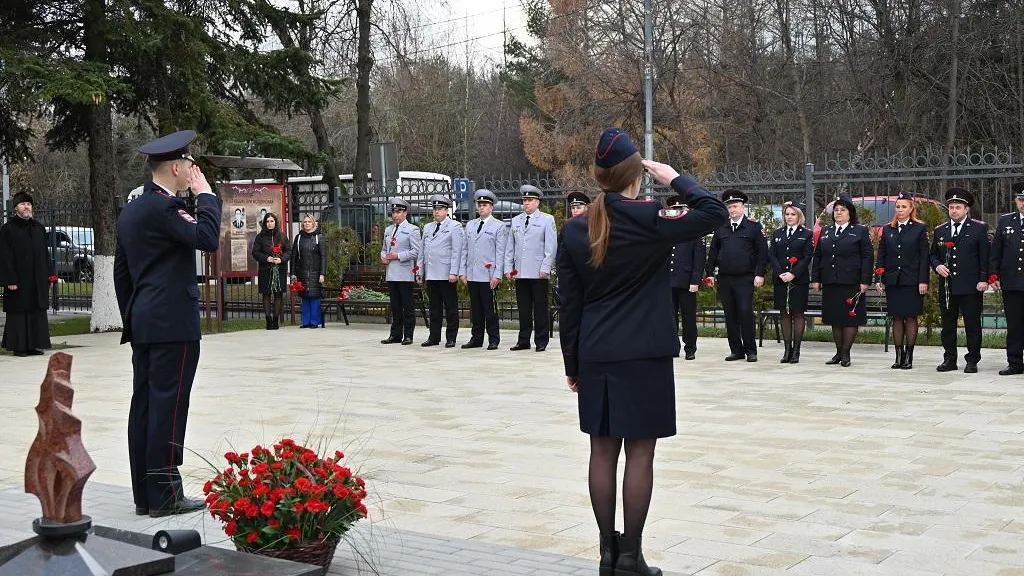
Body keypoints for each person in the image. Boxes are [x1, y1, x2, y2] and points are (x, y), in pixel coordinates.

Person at [558, 127, 727, 576]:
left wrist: (571, 364)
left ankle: (606, 556)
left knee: (601, 452)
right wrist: (676, 178)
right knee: (640, 454)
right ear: (636, 175)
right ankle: (630, 557)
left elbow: (568, 304)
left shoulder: (575, 228)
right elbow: (713, 213)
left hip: (595, 352)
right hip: (645, 354)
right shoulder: (650, 217)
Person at [114, 129, 221, 517]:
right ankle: (165, 495)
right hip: (172, 323)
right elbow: (207, 237)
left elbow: (121, 273)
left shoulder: (133, 209)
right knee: (169, 407)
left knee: (144, 406)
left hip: (145, 320)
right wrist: (206, 195)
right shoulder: (163, 207)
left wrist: (136, 313)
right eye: (190, 165)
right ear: (177, 167)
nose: (193, 170)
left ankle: (146, 495)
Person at [931, 187, 989, 373]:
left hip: (971, 286)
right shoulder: (941, 230)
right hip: (948, 286)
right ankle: (949, 359)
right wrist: (938, 266)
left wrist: (983, 280)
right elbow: (932, 255)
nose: (954, 211)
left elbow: (984, 257)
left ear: (966, 209)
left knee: (972, 324)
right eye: (951, 207)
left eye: (958, 207)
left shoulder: (978, 229)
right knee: (948, 324)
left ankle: (972, 359)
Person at [703, 189, 766, 362]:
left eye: (736, 206)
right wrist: (709, 273)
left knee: (745, 313)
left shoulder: (753, 227)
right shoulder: (721, 228)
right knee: (730, 315)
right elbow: (713, 253)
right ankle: (736, 350)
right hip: (725, 278)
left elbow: (762, 253)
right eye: (730, 207)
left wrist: (759, 274)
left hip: (745, 278)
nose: (732, 210)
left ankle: (750, 350)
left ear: (743, 207)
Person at [811, 194, 873, 367]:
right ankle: (838, 352)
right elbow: (818, 256)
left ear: (850, 212)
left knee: (850, 319)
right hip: (831, 281)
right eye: (836, 210)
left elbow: (867, 257)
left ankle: (846, 353)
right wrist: (816, 278)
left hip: (851, 281)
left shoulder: (859, 230)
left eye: (842, 210)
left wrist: (865, 280)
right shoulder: (826, 231)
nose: (838, 213)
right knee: (835, 318)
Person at [875, 192, 929, 369]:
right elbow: (881, 255)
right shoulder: (888, 229)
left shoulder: (919, 228)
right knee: (896, 318)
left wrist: (923, 280)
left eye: (904, 207)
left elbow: (923, 257)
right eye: (898, 207)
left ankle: (909, 356)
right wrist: (879, 278)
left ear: (911, 208)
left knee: (911, 318)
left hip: (912, 280)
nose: (900, 210)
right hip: (893, 280)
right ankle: (898, 355)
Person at [0, 192, 56, 356]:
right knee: (19, 312)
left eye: (29, 204)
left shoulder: (38, 228)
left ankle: (34, 345)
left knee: (36, 311)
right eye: (23, 204)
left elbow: (45, 254)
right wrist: (9, 279)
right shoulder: (8, 229)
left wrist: (50, 275)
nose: (27, 207)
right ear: (16, 208)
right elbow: (4, 256)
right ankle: (20, 347)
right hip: (18, 279)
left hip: (37, 279)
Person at [505, 184, 557, 352]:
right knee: (524, 308)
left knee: (540, 308)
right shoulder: (516, 221)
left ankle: (541, 341)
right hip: (520, 271)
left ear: (537, 202)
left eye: (529, 200)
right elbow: (510, 247)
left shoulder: (546, 220)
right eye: (524, 200)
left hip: (538, 272)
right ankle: (523, 340)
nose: (526, 203)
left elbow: (551, 247)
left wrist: (546, 267)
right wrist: (508, 268)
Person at [767, 201, 813, 363]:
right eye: (787, 214)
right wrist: (780, 273)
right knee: (784, 314)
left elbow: (807, 257)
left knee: (798, 314)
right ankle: (787, 350)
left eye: (793, 214)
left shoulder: (806, 234)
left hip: (798, 281)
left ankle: (796, 351)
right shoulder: (777, 233)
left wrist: (793, 274)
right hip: (781, 280)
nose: (789, 217)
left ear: (799, 216)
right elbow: (772, 254)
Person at [459, 189, 506, 350]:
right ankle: (476, 338)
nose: (481, 208)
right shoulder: (471, 225)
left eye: (485, 205)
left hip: (488, 275)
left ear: (491, 207)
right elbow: (464, 250)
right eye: (480, 205)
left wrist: (498, 274)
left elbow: (500, 252)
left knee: (489, 309)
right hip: (472, 274)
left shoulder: (499, 226)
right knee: (476, 309)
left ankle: (494, 339)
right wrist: (462, 272)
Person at [416, 194, 464, 347]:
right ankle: (434, 337)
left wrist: (454, 272)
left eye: (440, 209)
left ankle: (451, 337)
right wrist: (420, 271)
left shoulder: (454, 227)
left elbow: (457, 251)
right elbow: (422, 251)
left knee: (450, 307)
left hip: (446, 273)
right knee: (434, 308)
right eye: (435, 209)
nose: (436, 212)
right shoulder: (428, 227)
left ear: (446, 210)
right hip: (431, 273)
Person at [665, 196, 706, 360]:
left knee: (688, 316)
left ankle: (690, 348)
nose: (677, 213)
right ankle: (672, 346)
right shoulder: (667, 231)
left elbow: (699, 258)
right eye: (675, 210)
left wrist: (695, 280)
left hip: (687, 281)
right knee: (670, 316)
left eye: (680, 210)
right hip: (669, 280)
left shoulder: (694, 232)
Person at [990, 182, 1024, 375]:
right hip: (1011, 281)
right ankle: (1015, 362)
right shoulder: (1005, 221)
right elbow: (996, 251)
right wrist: (993, 274)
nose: (1023, 204)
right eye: (1020, 200)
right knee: (1014, 324)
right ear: (1015, 201)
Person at [380, 197, 421, 345]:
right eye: (394, 212)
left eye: (399, 212)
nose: (395, 215)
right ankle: (395, 334)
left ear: (405, 213)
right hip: (391, 273)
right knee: (395, 306)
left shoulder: (412, 230)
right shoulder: (388, 230)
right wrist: (383, 257)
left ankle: (408, 335)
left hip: (405, 273)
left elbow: (416, 251)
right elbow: (384, 249)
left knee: (407, 306)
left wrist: (398, 256)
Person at [252, 212, 291, 330]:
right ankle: (268, 320)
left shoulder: (282, 236)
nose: (270, 224)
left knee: (278, 294)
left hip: (279, 269)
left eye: (272, 221)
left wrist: (281, 259)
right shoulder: (260, 237)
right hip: (266, 269)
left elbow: (288, 251)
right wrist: (266, 258)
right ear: (265, 223)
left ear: (275, 222)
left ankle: (276, 320)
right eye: (267, 222)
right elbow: (255, 252)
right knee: (266, 294)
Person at [290, 214, 326, 328]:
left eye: (309, 222)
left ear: (313, 223)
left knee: (314, 297)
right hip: (302, 272)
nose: (307, 224)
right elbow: (294, 256)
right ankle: (306, 322)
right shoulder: (299, 237)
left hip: (315, 272)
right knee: (305, 297)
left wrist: (322, 273)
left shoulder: (319, 237)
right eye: (305, 222)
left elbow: (323, 256)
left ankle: (314, 322)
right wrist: (293, 273)